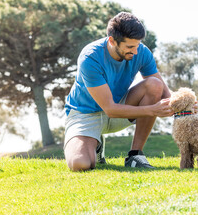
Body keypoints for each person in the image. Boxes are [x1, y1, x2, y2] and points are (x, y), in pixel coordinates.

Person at [64, 12, 174, 171]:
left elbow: (165, 95)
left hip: (120, 106)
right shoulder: (90, 57)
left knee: (155, 85)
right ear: (112, 41)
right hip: (85, 114)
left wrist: (185, 106)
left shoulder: (141, 51)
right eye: (130, 47)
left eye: (137, 45)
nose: (135, 51)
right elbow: (110, 109)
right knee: (80, 164)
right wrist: (151, 110)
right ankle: (96, 145)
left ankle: (135, 155)